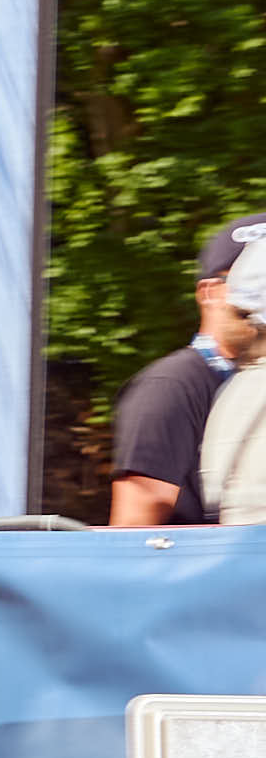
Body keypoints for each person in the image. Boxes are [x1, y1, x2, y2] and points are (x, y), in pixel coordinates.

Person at [108, 212, 266, 528]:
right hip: (214, 560)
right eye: (246, 281)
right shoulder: (170, 386)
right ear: (208, 293)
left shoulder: (249, 383)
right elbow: (133, 527)